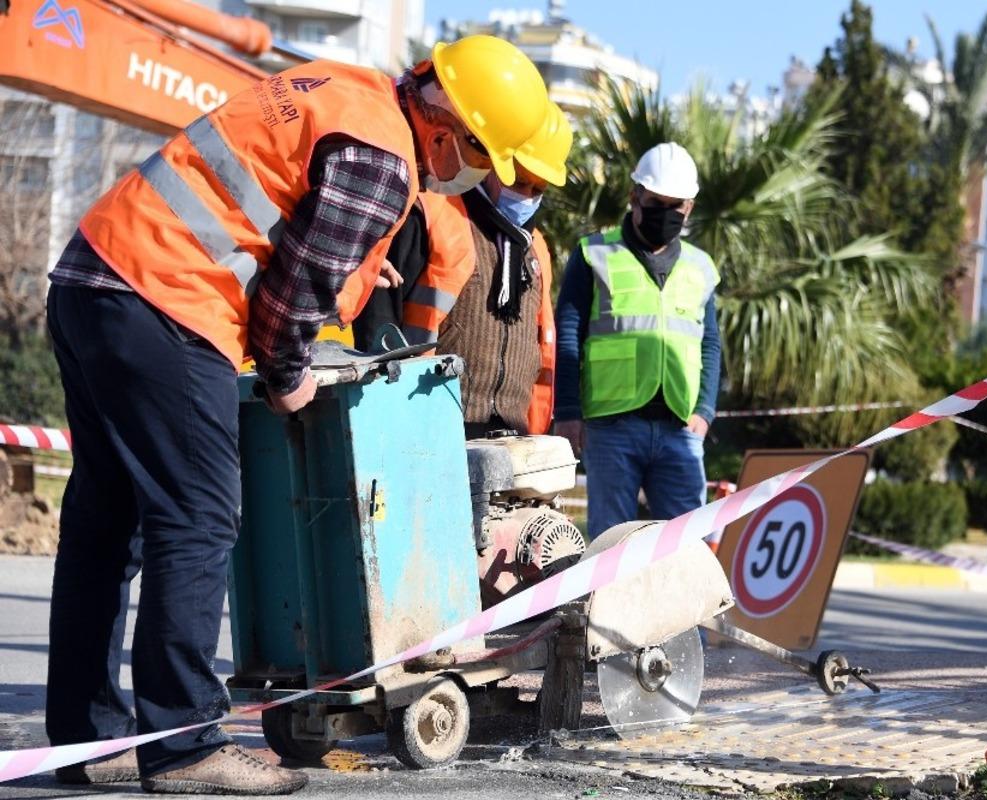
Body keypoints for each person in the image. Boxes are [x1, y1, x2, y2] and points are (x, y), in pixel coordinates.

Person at [44, 35, 548, 795]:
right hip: (169, 302)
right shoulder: (386, 159)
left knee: (105, 527)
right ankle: (184, 747)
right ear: (450, 134)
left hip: (95, 276)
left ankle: (88, 738)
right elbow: (294, 292)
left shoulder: (349, 91)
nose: (480, 176)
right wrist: (288, 375)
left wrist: (345, 263)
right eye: (486, 159)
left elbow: (280, 213)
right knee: (200, 519)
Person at [354, 103, 572, 437]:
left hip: (512, 436)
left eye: (537, 190)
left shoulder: (535, 248)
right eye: (519, 181)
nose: (525, 197)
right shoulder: (432, 213)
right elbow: (378, 321)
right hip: (427, 424)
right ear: (492, 163)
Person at [553, 143, 721, 539]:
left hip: (680, 426)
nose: (665, 213)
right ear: (634, 198)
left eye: (674, 206)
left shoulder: (700, 266)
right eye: (654, 202)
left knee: (684, 547)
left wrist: (705, 411)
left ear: (689, 207)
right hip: (611, 427)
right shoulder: (594, 253)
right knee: (612, 544)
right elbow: (569, 334)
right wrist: (568, 412)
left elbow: (710, 344)